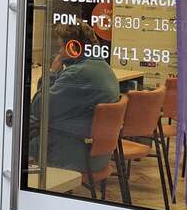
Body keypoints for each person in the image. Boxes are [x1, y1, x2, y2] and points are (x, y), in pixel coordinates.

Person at [27, 22, 121, 176]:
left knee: (18, 127)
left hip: (73, 155)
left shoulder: (77, 74)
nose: (59, 52)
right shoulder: (103, 67)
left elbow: (39, 107)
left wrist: (52, 73)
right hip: (97, 156)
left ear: (73, 47)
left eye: (61, 47)